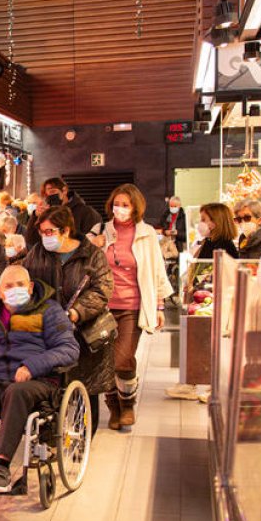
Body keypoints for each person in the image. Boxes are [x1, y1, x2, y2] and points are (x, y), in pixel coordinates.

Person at [0, 266, 79, 493]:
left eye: (20, 285)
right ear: (0, 292)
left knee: (17, 391)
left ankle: (1, 465)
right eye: (9, 286)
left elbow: (69, 349)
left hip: (37, 382)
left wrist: (32, 366)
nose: (15, 290)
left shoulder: (49, 310)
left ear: (30, 287)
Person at [18, 207, 114, 435]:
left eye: (49, 231)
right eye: (42, 232)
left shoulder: (92, 255)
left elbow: (102, 290)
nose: (45, 236)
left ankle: (84, 437)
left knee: (86, 386)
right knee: (50, 385)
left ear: (66, 230)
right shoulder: (37, 254)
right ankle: (51, 434)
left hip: (85, 333)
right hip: (50, 332)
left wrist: (76, 312)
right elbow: (27, 280)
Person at [96, 184, 173, 430]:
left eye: (125, 205)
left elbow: (156, 270)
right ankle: (113, 407)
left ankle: (127, 402)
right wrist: (94, 245)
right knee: (105, 360)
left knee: (123, 358)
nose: (120, 209)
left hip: (132, 305)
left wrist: (160, 304)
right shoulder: (101, 231)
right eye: (116, 204)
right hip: (103, 306)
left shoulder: (147, 233)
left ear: (135, 207)